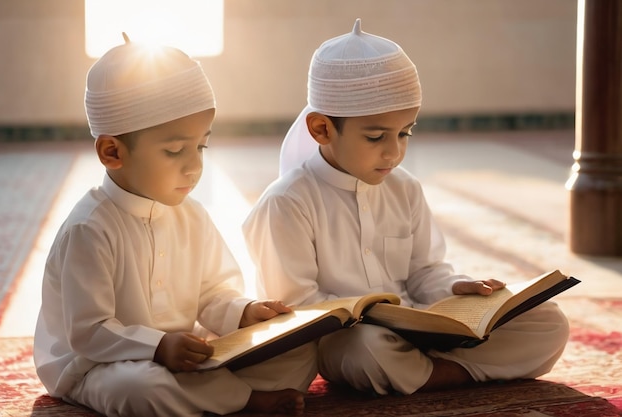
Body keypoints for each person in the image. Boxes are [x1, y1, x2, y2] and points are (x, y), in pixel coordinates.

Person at [243, 19, 569, 396]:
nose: (394, 152)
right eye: (376, 136)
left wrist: (455, 287)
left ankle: (429, 373)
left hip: (422, 327)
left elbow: (425, 272)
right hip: (349, 341)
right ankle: (449, 372)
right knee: (368, 349)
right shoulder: (287, 202)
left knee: (547, 322)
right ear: (322, 129)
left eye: (405, 133)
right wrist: (378, 316)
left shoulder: (405, 188)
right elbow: (298, 308)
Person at [33, 35, 317, 417]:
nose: (194, 166)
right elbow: (89, 333)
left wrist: (245, 312)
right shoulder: (90, 229)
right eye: (174, 151)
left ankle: (215, 397)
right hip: (98, 365)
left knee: (300, 349)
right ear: (112, 152)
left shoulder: (191, 214)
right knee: (139, 388)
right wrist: (156, 347)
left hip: (185, 355)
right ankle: (248, 402)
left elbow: (214, 293)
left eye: (201, 147)